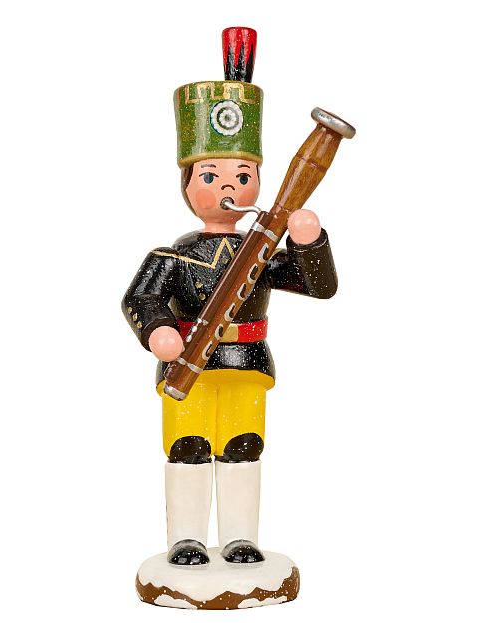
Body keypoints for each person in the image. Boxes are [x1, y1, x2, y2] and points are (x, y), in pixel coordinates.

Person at [121, 27, 337, 566]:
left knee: (244, 446)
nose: (228, 187)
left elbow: (320, 286)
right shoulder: (172, 256)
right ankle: (187, 538)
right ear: (187, 184)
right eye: (211, 175)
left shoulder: (259, 248)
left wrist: (309, 242)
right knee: (188, 448)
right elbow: (139, 299)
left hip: (246, 362)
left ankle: (241, 537)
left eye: (243, 176)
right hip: (187, 367)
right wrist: (159, 331)